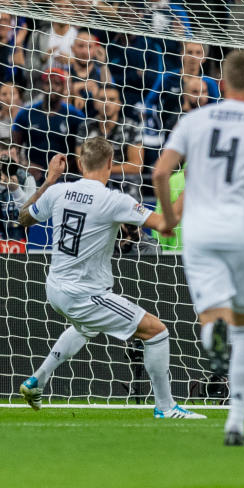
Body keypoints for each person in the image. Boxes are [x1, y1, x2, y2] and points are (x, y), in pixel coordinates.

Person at [152, 50, 244, 446]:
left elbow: (161, 171)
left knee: (213, 315)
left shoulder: (193, 120)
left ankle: (213, 337)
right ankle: (235, 422)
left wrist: (167, 218)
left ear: (219, 83)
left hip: (201, 230)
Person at [16, 141, 202, 419]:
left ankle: (37, 381)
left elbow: (23, 218)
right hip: (85, 295)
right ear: (110, 164)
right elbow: (166, 224)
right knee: (157, 332)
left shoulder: (58, 191)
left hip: (55, 287)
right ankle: (166, 407)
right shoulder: (114, 200)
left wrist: (50, 179)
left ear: (80, 163)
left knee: (85, 328)